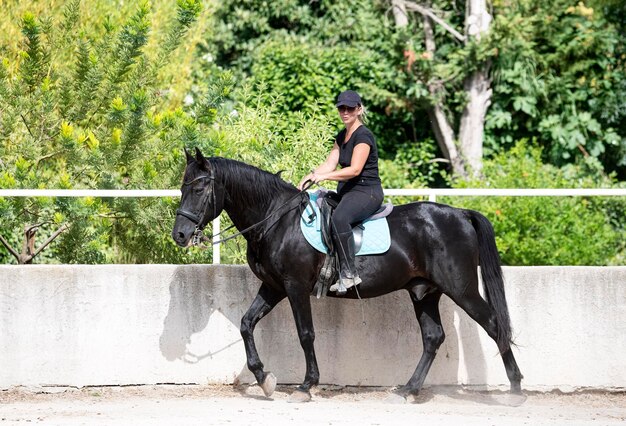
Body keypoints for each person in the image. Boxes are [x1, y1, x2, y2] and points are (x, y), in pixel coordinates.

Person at [298, 90, 384, 293]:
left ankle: (349, 274)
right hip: (348, 192)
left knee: (340, 218)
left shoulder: (364, 136)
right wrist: (309, 177)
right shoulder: (341, 135)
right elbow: (329, 164)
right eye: (341, 108)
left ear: (359, 109)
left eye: (350, 108)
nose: (345, 111)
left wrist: (325, 177)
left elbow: (354, 169)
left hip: (366, 192)